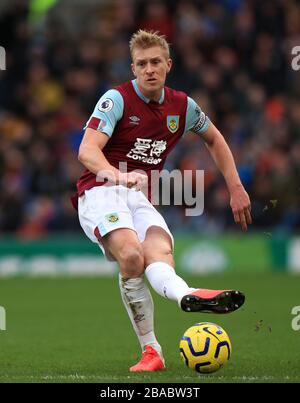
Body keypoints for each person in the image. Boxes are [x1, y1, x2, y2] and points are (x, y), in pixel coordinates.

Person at [73, 30, 252, 372]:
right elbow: (86, 150)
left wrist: (235, 187)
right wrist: (118, 174)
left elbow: (214, 139)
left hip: (138, 196)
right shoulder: (117, 100)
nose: (149, 69)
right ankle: (150, 350)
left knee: (158, 256)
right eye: (142, 64)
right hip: (99, 190)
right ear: (133, 69)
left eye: (156, 62)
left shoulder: (183, 106)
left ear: (168, 65)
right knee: (130, 254)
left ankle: (188, 295)